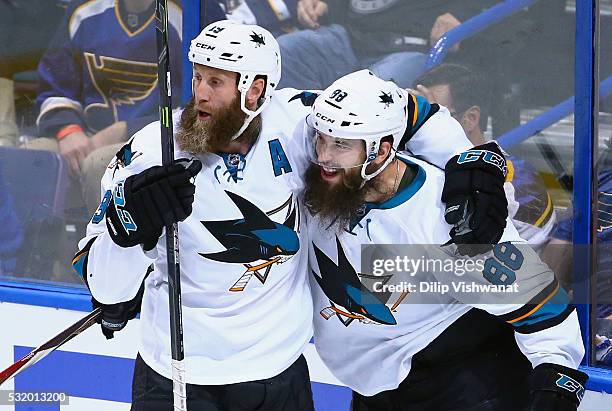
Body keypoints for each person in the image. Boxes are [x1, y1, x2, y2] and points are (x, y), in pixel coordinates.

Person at [72, 20, 508, 409]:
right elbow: (106, 291)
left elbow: (403, 110)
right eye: (198, 77)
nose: (200, 93)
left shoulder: (302, 122)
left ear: (255, 90)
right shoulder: (152, 153)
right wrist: (125, 228)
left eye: (217, 82)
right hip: (176, 377)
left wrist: (471, 161)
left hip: (278, 375)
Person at [301, 70, 587, 410]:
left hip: (457, 386)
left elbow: (546, 310)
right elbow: (408, 108)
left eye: (340, 144)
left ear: (381, 151)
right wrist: (463, 153)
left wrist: (555, 389)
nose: (323, 155)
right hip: (377, 388)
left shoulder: (449, 219)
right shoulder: (327, 182)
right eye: (321, 138)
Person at [25, 0, 186, 214]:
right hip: (86, 133)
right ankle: (45, 246)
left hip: (155, 141)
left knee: (99, 165)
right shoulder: (85, 10)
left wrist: (127, 130)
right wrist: (68, 130)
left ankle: (104, 246)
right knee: (34, 158)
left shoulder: (188, 12)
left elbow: (198, 103)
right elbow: (55, 84)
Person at [410, 63, 556, 251]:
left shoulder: (516, 178)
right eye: (418, 116)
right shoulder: (418, 165)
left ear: (470, 118)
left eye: (435, 115)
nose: (421, 126)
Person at [276, 0, 496, 90]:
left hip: (414, 47)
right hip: (351, 35)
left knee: (369, 92)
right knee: (285, 53)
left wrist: (463, 13)